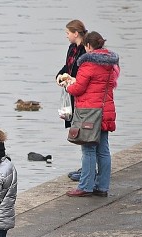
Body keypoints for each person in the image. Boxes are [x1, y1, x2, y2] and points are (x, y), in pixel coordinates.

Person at [61, 31, 120, 198]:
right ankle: (102, 187)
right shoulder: (110, 64)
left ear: (88, 45)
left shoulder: (88, 64)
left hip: (89, 113)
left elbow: (78, 89)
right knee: (103, 150)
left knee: (88, 149)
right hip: (105, 109)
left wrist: (67, 85)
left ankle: (85, 186)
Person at [57, 20, 88, 180]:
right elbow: (67, 67)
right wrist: (60, 75)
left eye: (68, 33)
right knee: (80, 132)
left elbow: (82, 74)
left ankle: (87, 171)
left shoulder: (86, 50)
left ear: (76, 33)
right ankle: (85, 167)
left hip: (81, 95)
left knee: (84, 133)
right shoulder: (72, 48)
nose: (66, 36)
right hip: (71, 92)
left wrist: (71, 79)